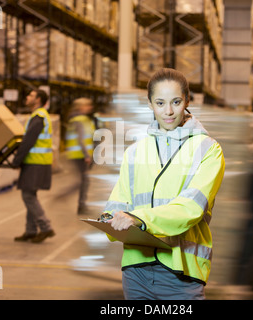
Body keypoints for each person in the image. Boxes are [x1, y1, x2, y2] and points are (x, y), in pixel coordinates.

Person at [102, 68, 225, 300]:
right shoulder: (135, 152)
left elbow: (191, 208)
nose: (168, 111)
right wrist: (109, 219)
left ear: (187, 100)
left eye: (176, 102)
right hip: (135, 270)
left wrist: (138, 219)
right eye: (160, 103)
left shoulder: (208, 149)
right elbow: (117, 201)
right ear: (149, 104)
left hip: (181, 272)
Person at [12, 89, 55, 243]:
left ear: (37, 99)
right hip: (37, 161)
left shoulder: (39, 117)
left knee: (28, 195)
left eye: (30, 95)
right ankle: (30, 230)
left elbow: (28, 142)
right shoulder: (39, 116)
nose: (27, 97)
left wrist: (16, 160)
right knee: (30, 194)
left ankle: (45, 227)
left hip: (36, 162)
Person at [65, 97, 96, 213]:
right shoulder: (80, 120)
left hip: (78, 154)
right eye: (87, 105)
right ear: (81, 107)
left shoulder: (83, 119)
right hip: (79, 155)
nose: (90, 107)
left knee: (83, 180)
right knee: (84, 180)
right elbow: (81, 139)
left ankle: (81, 205)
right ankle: (81, 206)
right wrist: (87, 155)